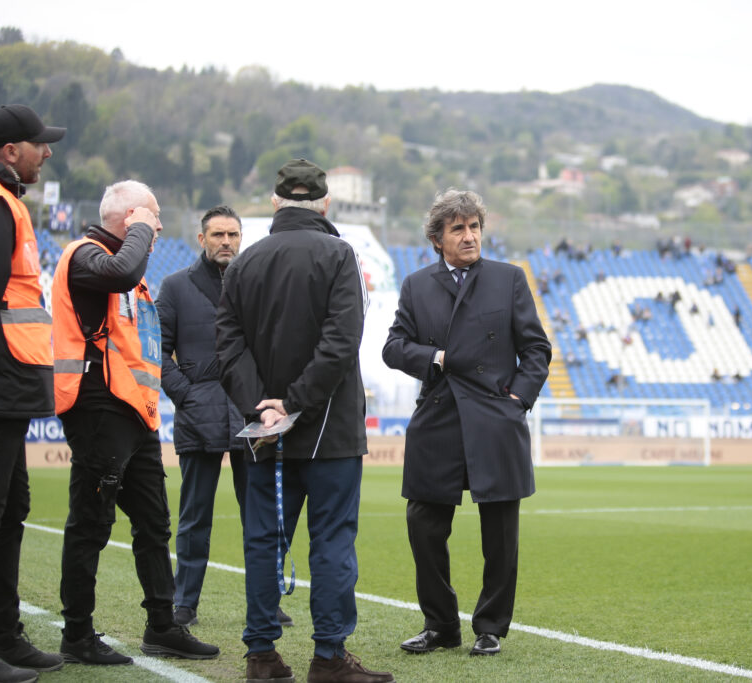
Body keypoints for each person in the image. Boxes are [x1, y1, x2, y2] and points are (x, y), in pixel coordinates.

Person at [216, 159, 393, 683]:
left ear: (274, 203)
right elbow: (341, 344)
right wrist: (293, 403)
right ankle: (330, 657)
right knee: (332, 542)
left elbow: (228, 349)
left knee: (264, 541)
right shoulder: (340, 255)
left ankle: (261, 655)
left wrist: (267, 406)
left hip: (265, 432)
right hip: (330, 432)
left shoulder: (244, 263)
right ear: (326, 205)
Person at [52, 180, 219, 665]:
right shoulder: (84, 256)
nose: (160, 225)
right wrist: (141, 230)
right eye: (153, 216)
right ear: (129, 219)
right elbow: (120, 271)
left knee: (154, 523)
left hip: (135, 414)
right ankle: (77, 635)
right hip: (99, 409)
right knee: (91, 523)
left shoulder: (132, 274)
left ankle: (162, 626)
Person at [383, 189, 551, 658]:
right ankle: (440, 625)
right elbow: (393, 347)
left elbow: (536, 349)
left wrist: (517, 400)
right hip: (437, 419)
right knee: (424, 526)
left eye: (474, 226)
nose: (469, 235)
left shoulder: (509, 279)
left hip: (494, 421)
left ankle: (491, 626)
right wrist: (434, 356)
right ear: (438, 238)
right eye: (457, 228)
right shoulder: (416, 285)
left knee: (500, 534)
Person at [0, 104, 66, 682]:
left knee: (8, 508)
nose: (45, 152)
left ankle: (2, 634)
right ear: (10, 152)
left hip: (5, 383)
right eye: (38, 144)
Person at [156, 206, 294, 630]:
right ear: (201, 239)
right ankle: (185, 603)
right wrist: (188, 396)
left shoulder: (256, 286)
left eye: (233, 235)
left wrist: (268, 403)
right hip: (199, 418)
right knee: (194, 517)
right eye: (217, 234)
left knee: (259, 515)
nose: (226, 242)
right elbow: (156, 352)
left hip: (250, 416)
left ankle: (268, 602)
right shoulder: (176, 287)